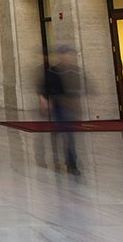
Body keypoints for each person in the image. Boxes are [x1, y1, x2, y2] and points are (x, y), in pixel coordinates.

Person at [39, 45, 83, 175]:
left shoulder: (75, 70)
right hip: (58, 106)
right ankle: (66, 161)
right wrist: (44, 101)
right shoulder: (53, 71)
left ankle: (71, 163)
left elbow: (81, 87)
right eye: (66, 55)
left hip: (70, 106)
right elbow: (44, 88)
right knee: (64, 133)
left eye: (71, 55)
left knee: (69, 135)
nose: (69, 58)